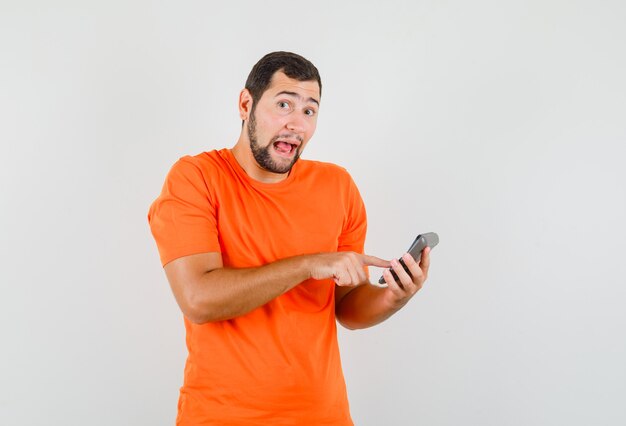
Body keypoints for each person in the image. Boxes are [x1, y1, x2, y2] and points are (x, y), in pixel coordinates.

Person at [148, 51, 431, 426]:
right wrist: (309, 264)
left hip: (323, 416)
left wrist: (393, 296)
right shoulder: (195, 178)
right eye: (284, 105)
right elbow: (198, 299)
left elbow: (346, 308)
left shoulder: (338, 187)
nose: (296, 124)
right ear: (245, 104)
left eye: (309, 111)